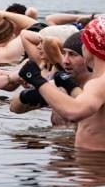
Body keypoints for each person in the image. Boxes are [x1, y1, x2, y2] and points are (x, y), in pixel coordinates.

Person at [19, 18, 105, 151]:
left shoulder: (100, 83)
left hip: (94, 162)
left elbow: (74, 112)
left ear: (90, 47)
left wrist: (37, 80)